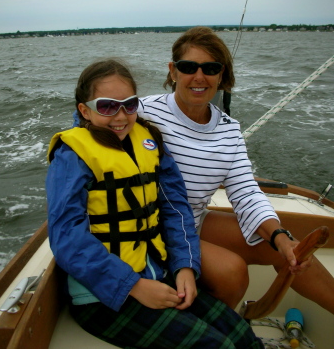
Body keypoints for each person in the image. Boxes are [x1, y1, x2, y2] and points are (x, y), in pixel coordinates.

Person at [46, 58, 264, 348]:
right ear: (85, 110)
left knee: (242, 336)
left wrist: (185, 267)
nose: (120, 116)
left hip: (158, 274)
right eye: (107, 106)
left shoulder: (149, 140)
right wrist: (133, 286)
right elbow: (66, 237)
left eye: (130, 104)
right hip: (102, 297)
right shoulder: (72, 155)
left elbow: (176, 209)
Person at [138, 26, 334, 314]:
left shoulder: (229, 130)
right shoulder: (143, 112)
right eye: (189, 66)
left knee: (288, 247)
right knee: (233, 272)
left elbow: (245, 193)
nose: (199, 76)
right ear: (173, 71)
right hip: (152, 230)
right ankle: (209, 332)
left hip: (191, 221)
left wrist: (280, 236)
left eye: (211, 68)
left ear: (222, 74)